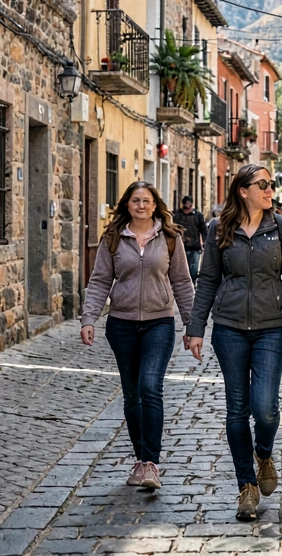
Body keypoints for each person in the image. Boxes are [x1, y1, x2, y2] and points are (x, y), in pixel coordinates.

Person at [186, 164, 282, 522]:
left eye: (271, 184)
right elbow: (207, 279)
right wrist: (196, 327)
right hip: (229, 329)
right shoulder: (218, 228)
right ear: (243, 190)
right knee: (237, 410)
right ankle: (246, 485)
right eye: (263, 184)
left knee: (266, 408)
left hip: (271, 327)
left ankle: (264, 453)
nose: (270, 189)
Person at [80, 181, 195, 491]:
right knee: (132, 395)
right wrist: (89, 318)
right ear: (127, 205)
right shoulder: (113, 238)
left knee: (150, 387)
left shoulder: (169, 238)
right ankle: (140, 460)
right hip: (121, 324)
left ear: (155, 205)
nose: (141, 205)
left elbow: (182, 282)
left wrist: (191, 325)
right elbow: (100, 280)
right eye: (135, 200)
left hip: (159, 323)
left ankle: (151, 464)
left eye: (146, 200)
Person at [172, 196, 208, 282]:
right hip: (181, 247)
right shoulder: (177, 215)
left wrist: (205, 242)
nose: (188, 210)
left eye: (189, 207)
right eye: (186, 207)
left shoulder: (198, 215)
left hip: (195, 247)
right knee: (183, 270)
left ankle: (192, 283)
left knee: (194, 270)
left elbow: (203, 230)